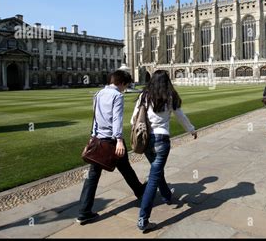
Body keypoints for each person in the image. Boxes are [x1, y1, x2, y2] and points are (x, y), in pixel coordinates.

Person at [76, 70, 146, 225]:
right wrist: (119, 140)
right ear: (121, 83)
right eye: (125, 86)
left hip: (99, 139)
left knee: (94, 176)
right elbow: (117, 119)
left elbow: (95, 117)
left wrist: (92, 136)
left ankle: (84, 212)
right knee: (126, 169)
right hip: (112, 141)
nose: (125, 89)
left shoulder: (98, 94)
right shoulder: (117, 96)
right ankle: (141, 192)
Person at [131, 70, 197, 232]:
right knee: (154, 177)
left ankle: (167, 196)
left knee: (156, 171)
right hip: (161, 140)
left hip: (146, 141)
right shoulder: (170, 96)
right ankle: (143, 219)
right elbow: (180, 115)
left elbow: (133, 119)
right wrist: (191, 130)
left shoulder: (144, 96)